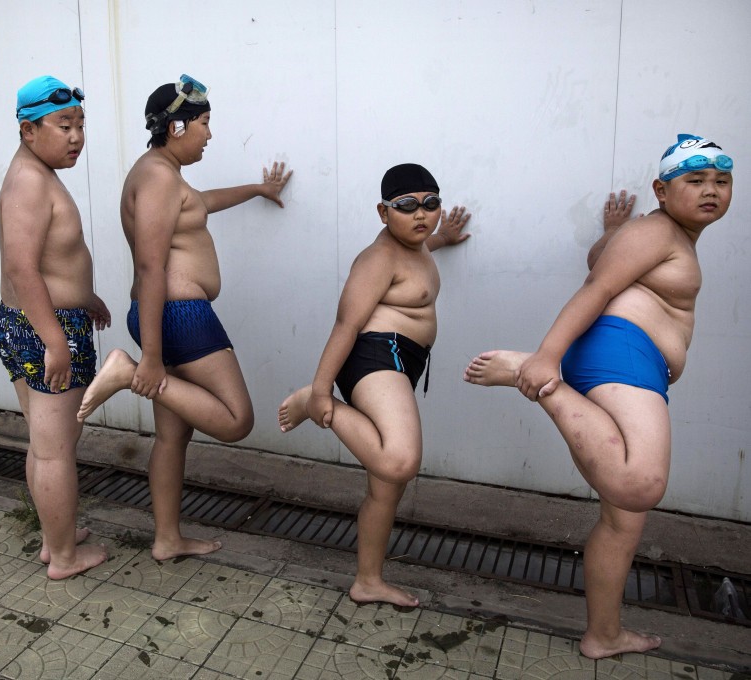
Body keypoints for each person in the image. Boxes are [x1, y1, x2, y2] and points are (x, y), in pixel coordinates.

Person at [463, 134, 733, 658]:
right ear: (661, 189)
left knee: (621, 521)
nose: (711, 191)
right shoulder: (658, 231)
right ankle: (543, 384)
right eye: (695, 180)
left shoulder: (646, 235)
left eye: (722, 182)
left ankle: (603, 634)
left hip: (634, 361)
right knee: (640, 485)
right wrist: (544, 358)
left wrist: (611, 232)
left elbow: (599, 260)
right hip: (622, 355)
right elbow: (597, 288)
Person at [77, 74, 292, 561]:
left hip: (171, 315)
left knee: (173, 435)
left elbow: (203, 203)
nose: (210, 135)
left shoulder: (165, 174)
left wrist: (258, 188)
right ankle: (127, 373)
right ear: (176, 127)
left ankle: (167, 539)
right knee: (237, 420)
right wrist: (148, 359)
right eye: (204, 123)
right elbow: (152, 266)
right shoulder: (156, 178)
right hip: (177, 316)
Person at [277, 164, 470, 606]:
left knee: (385, 487)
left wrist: (446, 236)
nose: (421, 215)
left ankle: (368, 581)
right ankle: (313, 402)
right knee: (400, 461)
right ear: (383, 213)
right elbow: (346, 323)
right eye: (406, 207)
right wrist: (322, 389)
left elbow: (423, 248)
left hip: (403, 361)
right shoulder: (378, 258)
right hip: (376, 355)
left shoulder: (418, 248)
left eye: (431, 204)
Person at [0, 75, 110, 579]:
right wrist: (55, 339)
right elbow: (22, 268)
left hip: (42, 321)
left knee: (45, 445)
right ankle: (63, 556)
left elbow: (54, 259)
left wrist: (87, 297)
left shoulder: (35, 173)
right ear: (28, 130)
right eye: (64, 125)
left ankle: (53, 537)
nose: (76, 136)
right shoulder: (29, 182)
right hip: (45, 328)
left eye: (81, 125)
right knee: (57, 451)